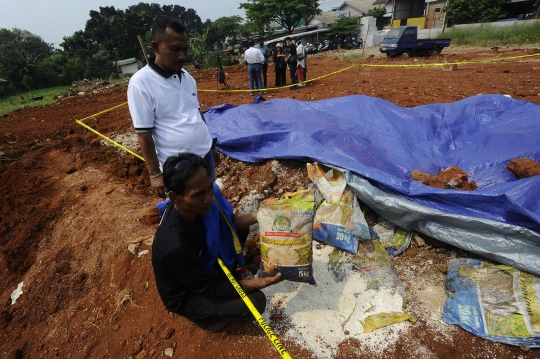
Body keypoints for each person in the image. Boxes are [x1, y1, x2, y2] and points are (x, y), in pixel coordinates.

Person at [152, 153, 282, 332]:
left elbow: (229, 223)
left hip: (201, 267)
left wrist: (260, 214)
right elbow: (210, 289)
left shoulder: (200, 206)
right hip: (189, 293)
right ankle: (205, 318)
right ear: (175, 197)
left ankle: (228, 274)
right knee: (256, 302)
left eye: (209, 188)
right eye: (198, 195)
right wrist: (259, 284)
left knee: (239, 230)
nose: (208, 198)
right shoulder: (175, 245)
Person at [127, 16, 215, 199]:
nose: (182, 56)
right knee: (188, 214)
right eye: (175, 49)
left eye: (185, 49)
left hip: (205, 159)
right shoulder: (141, 83)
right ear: (155, 47)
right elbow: (144, 133)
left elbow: (197, 113)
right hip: (179, 168)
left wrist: (209, 146)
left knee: (208, 204)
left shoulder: (188, 77)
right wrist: (154, 174)